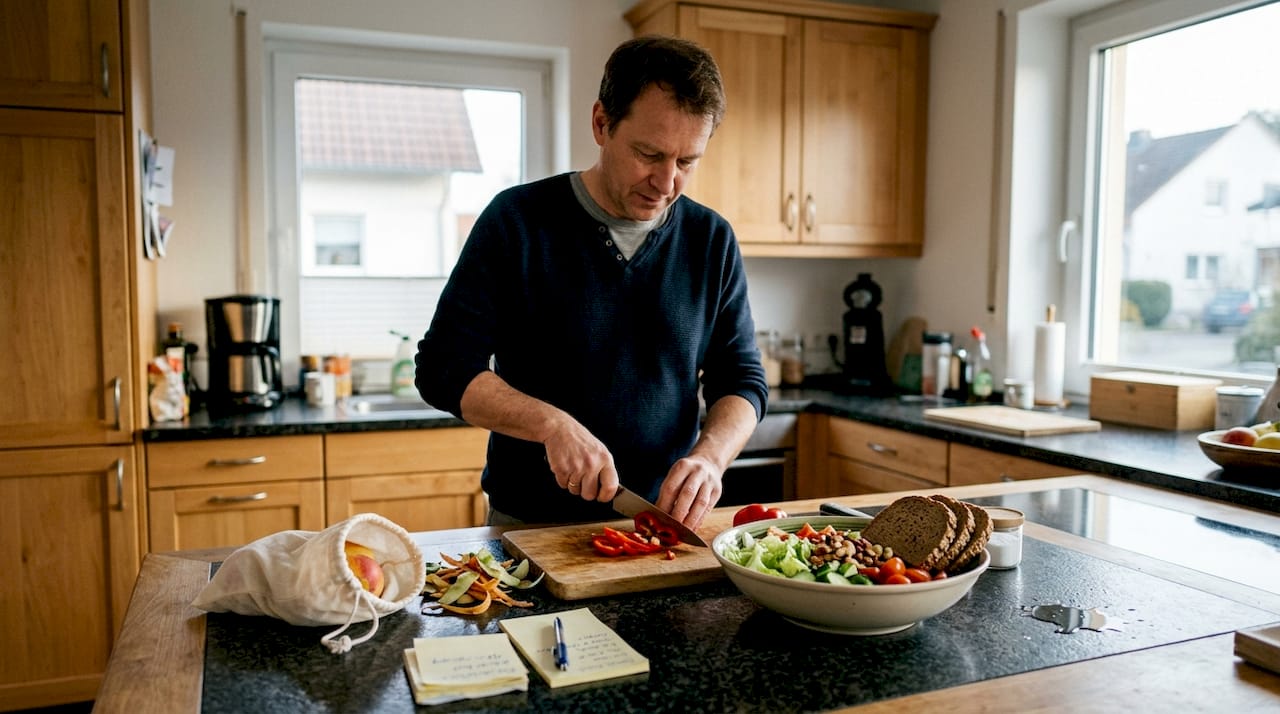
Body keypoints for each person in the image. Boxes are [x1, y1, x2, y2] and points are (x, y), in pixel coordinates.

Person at [415, 35, 768, 529]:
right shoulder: (516, 222)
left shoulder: (710, 240)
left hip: (660, 526)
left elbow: (742, 379)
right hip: (528, 526)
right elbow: (443, 369)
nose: (666, 183)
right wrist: (550, 424)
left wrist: (711, 457)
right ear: (601, 124)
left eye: (686, 162)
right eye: (649, 154)